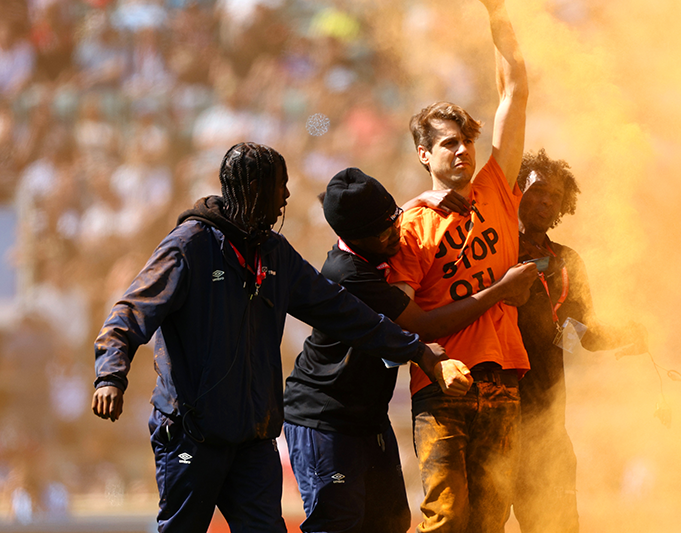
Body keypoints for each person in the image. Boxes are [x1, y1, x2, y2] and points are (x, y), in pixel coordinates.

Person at [91, 142, 456, 533]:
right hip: (191, 435)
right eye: (278, 186)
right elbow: (129, 312)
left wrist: (417, 351)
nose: (285, 197)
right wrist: (110, 375)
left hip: (252, 439)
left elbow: (345, 311)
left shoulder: (275, 253)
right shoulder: (189, 247)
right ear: (252, 189)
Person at [283, 167, 537, 533]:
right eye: (382, 230)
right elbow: (424, 326)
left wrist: (422, 202)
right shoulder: (349, 274)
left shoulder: (381, 251)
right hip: (325, 420)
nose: (395, 233)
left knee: (392, 522)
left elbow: (397, 225)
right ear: (353, 236)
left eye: (395, 219)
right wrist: (499, 289)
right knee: (337, 523)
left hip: (369, 418)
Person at [384, 0, 530, 530]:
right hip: (444, 385)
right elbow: (410, 322)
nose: (463, 150)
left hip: (505, 381)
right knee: (446, 518)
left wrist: (498, 16)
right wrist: (499, 292)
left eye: (467, 139)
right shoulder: (412, 226)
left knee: (490, 522)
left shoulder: (497, 185)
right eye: (449, 142)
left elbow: (514, 90)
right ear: (424, 154)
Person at [511, 150, 648, 533]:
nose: (546, 201)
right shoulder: (492, 250)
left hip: (547, 426)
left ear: (564, 205)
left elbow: (580, 333)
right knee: (482, 523)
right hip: (492, 414)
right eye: (537, 190)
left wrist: (627, 333)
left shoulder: (567, 260)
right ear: (516, 190)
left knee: (555, 525)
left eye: (555, 195)